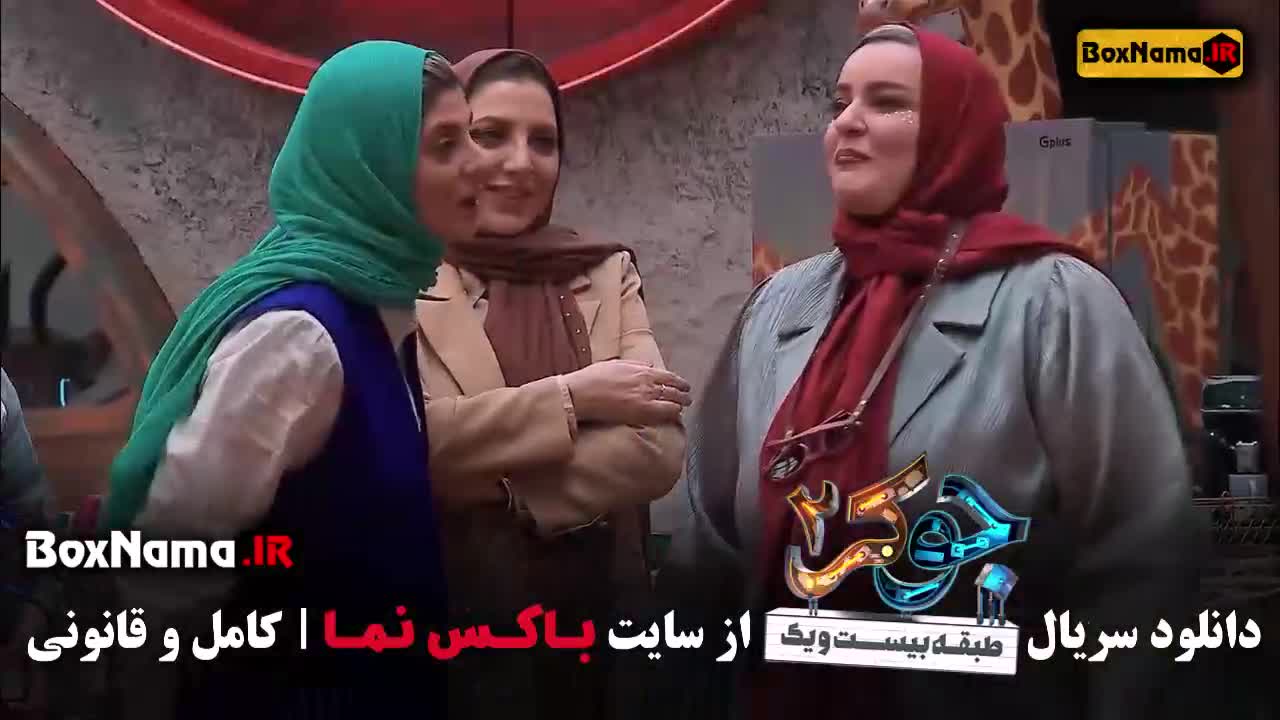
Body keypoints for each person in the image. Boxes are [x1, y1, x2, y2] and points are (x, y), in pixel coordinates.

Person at [662, 24, 1199, 720]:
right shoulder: (778, 308)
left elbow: (1142, 558)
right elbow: (707, 554)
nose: (847, 122)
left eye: (887, 103)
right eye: (839, 104)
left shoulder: (1053, 301)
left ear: (955, 132)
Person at [100, 41, 496, 717]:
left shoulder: (379, 300)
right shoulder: (299, 335)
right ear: (369, 166)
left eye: (471, 135)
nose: (479, 164)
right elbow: (167, 568)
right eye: (444, 144)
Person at [414, 49, 689, 719]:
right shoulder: (398, 276)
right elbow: (415, 438)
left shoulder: (603, 270)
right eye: (490, 135)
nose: (521, 163)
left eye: (543, 141)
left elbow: (656, 446)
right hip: (450, 625)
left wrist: (505, 491)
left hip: (600, 624)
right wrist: (577, 398)